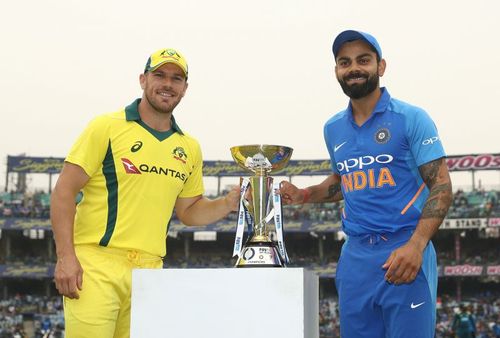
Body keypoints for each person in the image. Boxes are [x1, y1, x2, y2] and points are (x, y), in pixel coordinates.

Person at [50, 48, 240, 338]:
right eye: (160, 75)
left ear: (185, 89)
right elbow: (64, 191)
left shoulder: (189, 147)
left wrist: (228, 202)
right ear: (143, 79)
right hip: (97, 266)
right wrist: (66, 257)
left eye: (177, 78)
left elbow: (188, 213)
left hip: (150, 272)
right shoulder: (107, 126)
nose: (168, 84)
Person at [279, 30, 452, 337]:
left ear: (380, 66)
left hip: (404, 250)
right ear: (336, 72)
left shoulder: (411, 118)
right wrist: (304, 194)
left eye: (363, 60)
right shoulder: (333, 128)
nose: (354, 68)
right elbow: (343, 182)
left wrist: (416, 245)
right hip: (355, 257)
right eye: (344, 62)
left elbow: (441, 185)